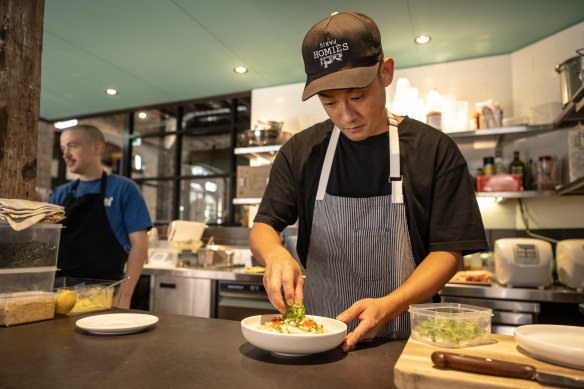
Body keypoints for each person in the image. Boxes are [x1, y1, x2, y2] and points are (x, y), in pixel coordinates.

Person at [249, 11, 488, 351]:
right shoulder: (301, 151)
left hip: (408, 341)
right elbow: (263, 227)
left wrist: (390, 305)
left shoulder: (433, 150)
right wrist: (276, 256)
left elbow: (448, 251)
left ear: (385, 72)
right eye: (329, 103)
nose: (345, 116)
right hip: (315, 340)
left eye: (357, 97)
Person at [50, 125, 152, 308]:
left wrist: (124, 296)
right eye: (63, 148)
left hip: (105, 294)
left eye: (72, 146)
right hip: (60, 293)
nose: (66, 154)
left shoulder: (123, 189)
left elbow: (140, 242)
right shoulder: (60, 194)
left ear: (96, 148)